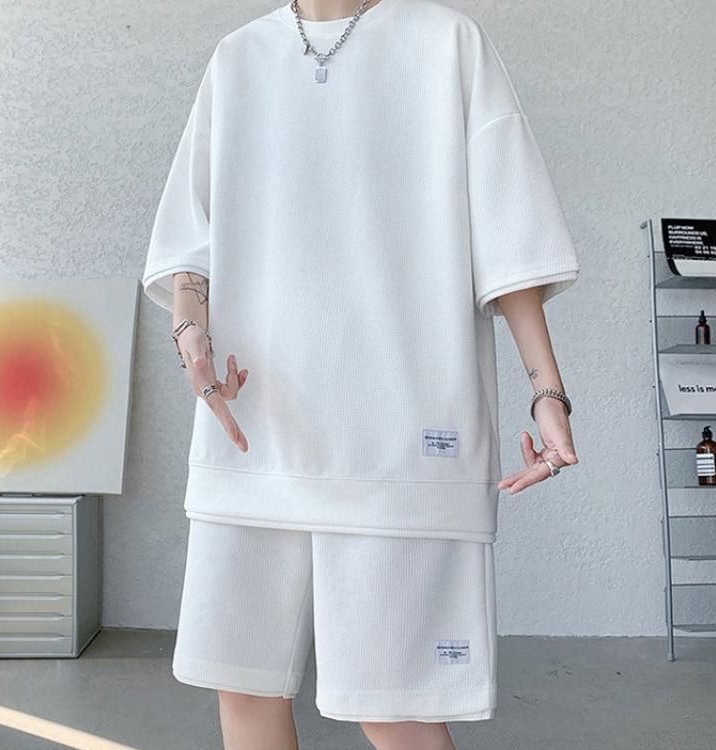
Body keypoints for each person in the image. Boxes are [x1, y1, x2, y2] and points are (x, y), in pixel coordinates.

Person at [141, 0, 581, 748]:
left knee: (394, 709)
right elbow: (190, 238)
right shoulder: (239, 56)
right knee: (242, 688)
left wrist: (547, 390)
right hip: (255, 427)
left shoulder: (446, 43)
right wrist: (191, 331)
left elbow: (509, 231)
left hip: (401, 433)